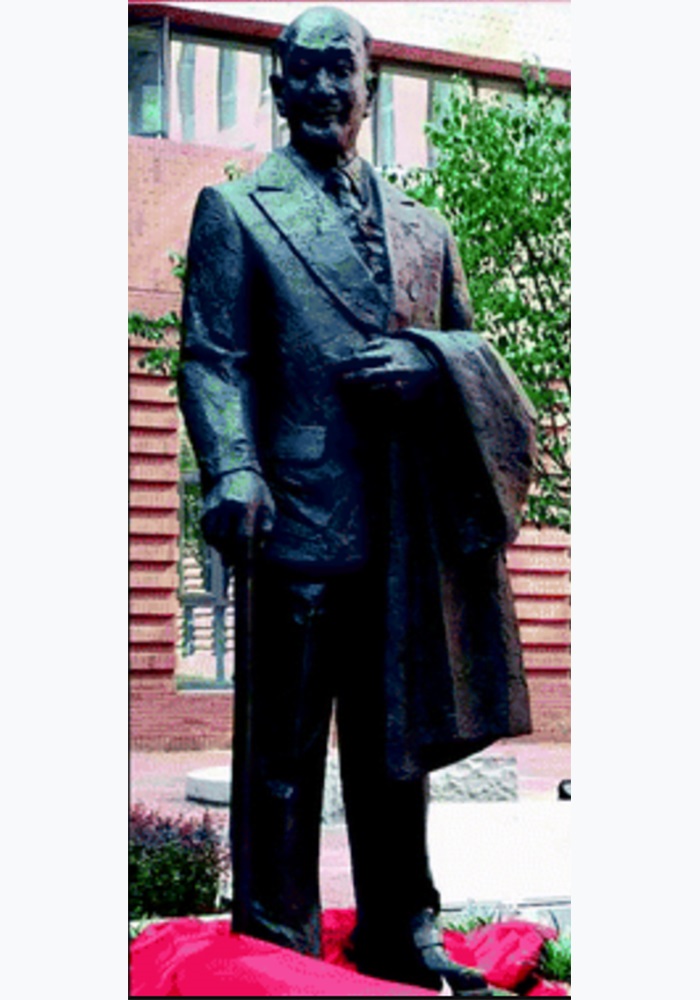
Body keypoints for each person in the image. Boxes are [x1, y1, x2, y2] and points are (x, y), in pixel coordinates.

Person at [178, 7, 536, 994]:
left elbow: (472, 352)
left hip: (401, 525)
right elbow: (212, 359)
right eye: (306, 73)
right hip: (293, 515)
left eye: (343, 72)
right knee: (284, 755)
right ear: (279, 89)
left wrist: (432, 366)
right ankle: (275, 941)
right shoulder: (238, 212)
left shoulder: (428, 231)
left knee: (398, 740)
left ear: (369, 87)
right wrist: (234, 470)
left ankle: (399, 927)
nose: (325, 91)